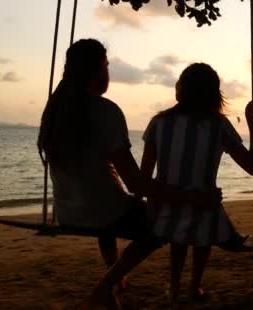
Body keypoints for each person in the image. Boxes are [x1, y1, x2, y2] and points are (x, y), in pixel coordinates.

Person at [37, 39, 222, 309]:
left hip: (66, 212)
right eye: (107, 65)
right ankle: (106, 285)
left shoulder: (54, 111)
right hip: (104, 212)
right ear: (99, 70)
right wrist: (192, 197)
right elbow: (136, 182)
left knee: (114, 200)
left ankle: (115, 275)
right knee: (160, 224)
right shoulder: (106, 111)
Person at [140, 63, 253, 303]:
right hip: (206, 209)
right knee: (203, 225)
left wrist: (152, 205)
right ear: (214, 94)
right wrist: (252, 124)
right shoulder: (219, 125)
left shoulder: (158, 123)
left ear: (180, 90)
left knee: (179, 236)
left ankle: (174, 287)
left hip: (167, 212)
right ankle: (194, 286)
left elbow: (144, 176)